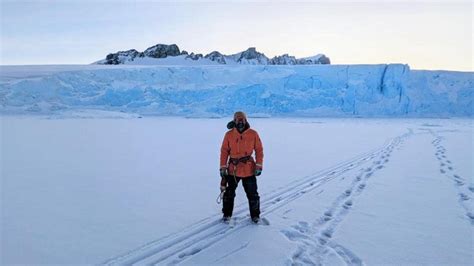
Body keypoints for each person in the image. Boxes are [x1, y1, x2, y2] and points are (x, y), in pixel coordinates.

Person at [219, 111, 264, 223]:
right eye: (238, 119)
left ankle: (255, 215)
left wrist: (259, 166)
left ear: (245, 120)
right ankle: (227, 214)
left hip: (249, 169)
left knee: (252, 194)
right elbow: (224, 151)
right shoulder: (229, 135)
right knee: (229, 193)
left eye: (242, 119)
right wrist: (223, 167)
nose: (240, 122)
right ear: (234, 121)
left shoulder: (253, 134)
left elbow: (259, 150)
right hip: (232, 170)